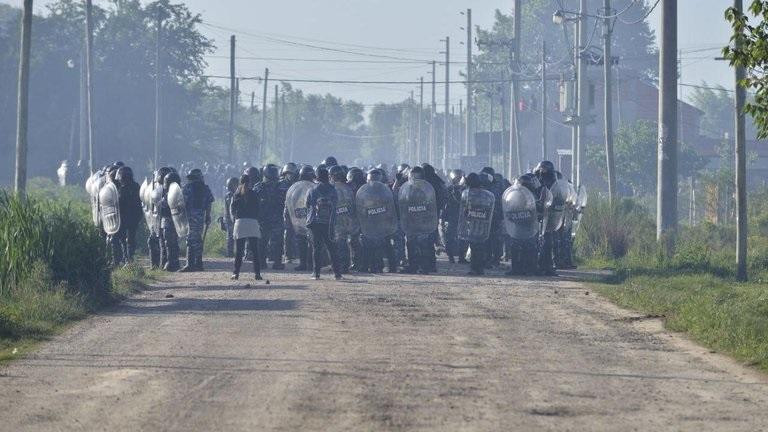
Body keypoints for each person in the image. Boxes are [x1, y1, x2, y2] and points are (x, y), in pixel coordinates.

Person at [305, 166, 342, 280]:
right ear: (328, 177)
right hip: (329, 223)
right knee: (332, 248)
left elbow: (307, 204)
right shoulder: (333, 190)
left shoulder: (312, 190)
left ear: (317, 177)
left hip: (315, 223)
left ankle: (316, 273)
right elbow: (336, 205)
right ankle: (337, 274)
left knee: (317, 249)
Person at [180, 168, 214, 272]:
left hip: (191, 216)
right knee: (197, 240)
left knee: (191, 240)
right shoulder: (205, 188)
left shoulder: (187, 188)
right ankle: (198, 263)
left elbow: (182, 203)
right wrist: (207, 216)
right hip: (200, 217)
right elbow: (209, 203)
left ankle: (191, 264)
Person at [254, 164, 287, 269]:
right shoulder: (282, 186)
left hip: (266, 218)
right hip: (273, 218)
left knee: (263, 242)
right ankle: (276, 263)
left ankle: (263, 263)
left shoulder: (258, 186)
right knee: (275, 242)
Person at [230, 174, 262, 280]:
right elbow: (258, 209)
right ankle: (257, 274)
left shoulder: (236, 194)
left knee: (239, 251)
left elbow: (232, 210)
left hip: (240, 223)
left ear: (240, 183)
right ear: (251, 183)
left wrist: (235, 220)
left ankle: (236, 273)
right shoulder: (254, 194)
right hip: (252, 223)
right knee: (255, 251)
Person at [114, 166, 143, 265]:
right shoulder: (136, 186)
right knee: (126, 239)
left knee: (128, 239)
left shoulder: (123, 189)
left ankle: (128, 258)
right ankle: (127, 258)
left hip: (128, 217)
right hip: (130, 217)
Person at [464, 173, 488, 276]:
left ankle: (475, 268)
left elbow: (466, 209)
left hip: (474, 223)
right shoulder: (485, 194)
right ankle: (480, 268)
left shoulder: (470, 194)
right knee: (480, 246)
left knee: (474, 246)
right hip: (482, 223)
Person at [443, 169, 466, 264]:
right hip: (451, 216)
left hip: (462, 216)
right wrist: (443, 217)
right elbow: (445, 204)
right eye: (457, 178)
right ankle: (451, 256)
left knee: (463, 237)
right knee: (450, 237)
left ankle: (461, 257)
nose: (458, 180)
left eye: (460, 178)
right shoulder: (449, 189)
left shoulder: (465, 190)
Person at [160, 171, 182, 272]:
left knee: (169, 243)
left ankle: (171, 263)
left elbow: (162, 207)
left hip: (169, 221)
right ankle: (174, 262)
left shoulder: (170, 195)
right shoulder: (180, 193)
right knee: (173, 243)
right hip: (176, 222)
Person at [222, 176, 238, 258]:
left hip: (238, 218)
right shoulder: (227, 196)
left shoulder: (239, 194)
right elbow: (226, 209)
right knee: (230, 237)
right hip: (229, 219)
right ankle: (230, 254)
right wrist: (224, 219)